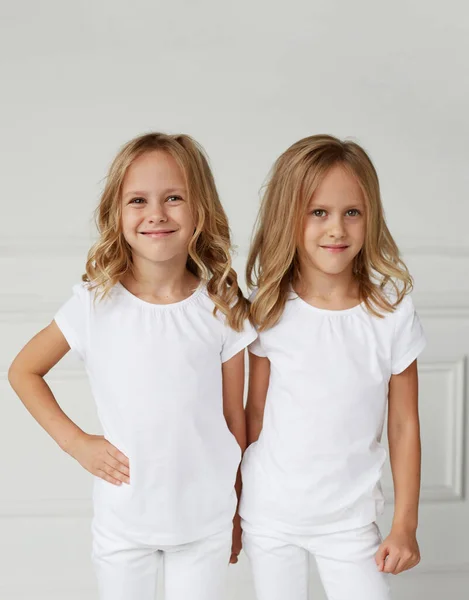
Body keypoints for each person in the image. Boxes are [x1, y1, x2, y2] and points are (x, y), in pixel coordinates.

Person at [8, 132, 257, 600]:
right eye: (138, 200)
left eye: (174, 198)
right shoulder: (95, 304)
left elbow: (233, 419)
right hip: (124, 523)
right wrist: (77, 443)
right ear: (116, 214)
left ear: (200, 210)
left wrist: (238, 512)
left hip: (204, 522)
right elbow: (23, 371)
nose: (157, 213)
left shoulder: (222, 308)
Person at [240, 134, 426, 600]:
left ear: (370, 217)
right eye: (318, 212)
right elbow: (254, 418)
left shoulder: (391, 314)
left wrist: (405, 524)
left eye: (352, 212)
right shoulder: (269, 310)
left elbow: (404, 425)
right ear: (290, 216)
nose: (336, 229)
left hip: (349, 522)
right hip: (271, 515)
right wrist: (231, 507)